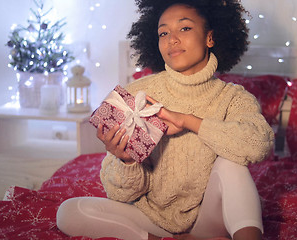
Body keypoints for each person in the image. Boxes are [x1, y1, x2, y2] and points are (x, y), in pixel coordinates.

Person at [56, 0, 274, 239]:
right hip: (152, 221)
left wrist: (188, 121)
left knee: (232, 163)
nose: (172, 39)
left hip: (211, 220)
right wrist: (127, 160)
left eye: (185, 28)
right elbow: (119, 196)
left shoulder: (233, 98)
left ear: (209, 38)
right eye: (163, 32)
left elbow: (258, 145)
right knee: (69, 212)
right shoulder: (138, 95)